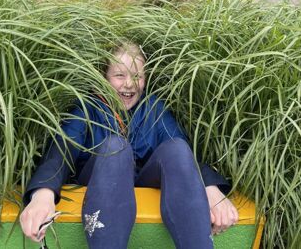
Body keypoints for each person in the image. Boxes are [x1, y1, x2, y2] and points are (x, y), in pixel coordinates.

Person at [20, 42, 238, 249]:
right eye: (119, 75)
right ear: (104, 76)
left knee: (177, 147)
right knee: (116, 148)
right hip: (101, 183)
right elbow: (61, 150)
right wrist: (43, 195)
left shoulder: (153, 108)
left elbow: (184, 158)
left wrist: (210, 188)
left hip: (143, 179)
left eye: (137, 76)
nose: (129, 84)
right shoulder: (87, 107)